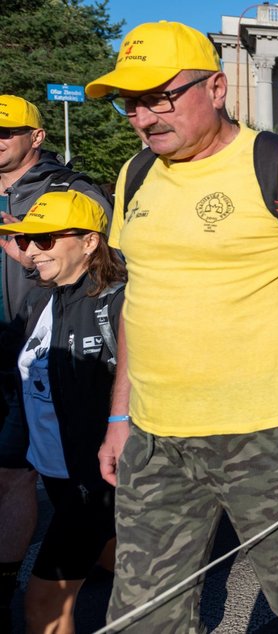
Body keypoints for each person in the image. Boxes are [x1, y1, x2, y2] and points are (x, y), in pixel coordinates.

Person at [85, 21, 278, 632]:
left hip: (270, 434)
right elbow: (142, 302)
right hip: (155, 438)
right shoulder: (135, 174)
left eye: (161, 96)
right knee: (141, 614)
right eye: (131, 103)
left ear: (216, 88)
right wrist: (119, 418)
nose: (143, 117)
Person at [0, 94, 114, 630]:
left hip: (98, 474)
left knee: (44, 603)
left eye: (44, 239)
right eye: (23, 240)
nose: (31, 250)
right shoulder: (49, 293)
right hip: (65, 465)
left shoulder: (108, 303)